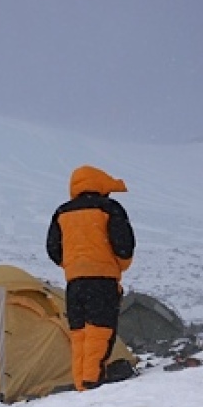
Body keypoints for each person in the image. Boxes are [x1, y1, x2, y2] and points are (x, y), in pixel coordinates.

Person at [46, 165, 135, 390]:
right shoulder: (109, 208)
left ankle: (81, 380)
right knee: (100, 331)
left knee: (79, 334)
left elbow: (53, 248)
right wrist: (117, 266)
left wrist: (72, 264)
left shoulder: (62, 212)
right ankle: (91, 380)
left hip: (75, 282)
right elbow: (124, 245)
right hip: (102, 280)